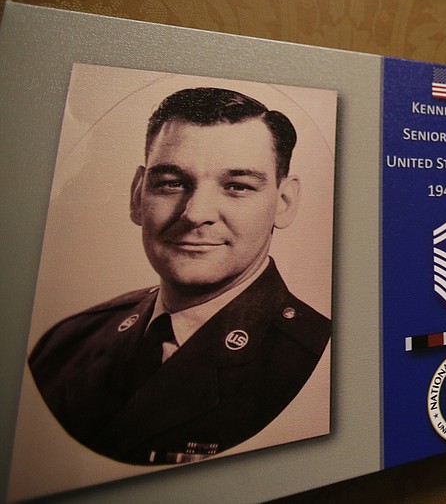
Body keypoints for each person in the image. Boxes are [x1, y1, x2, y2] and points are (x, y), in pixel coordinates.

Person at [28, 87, 330, 465]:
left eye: (237, 186)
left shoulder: (318, 359)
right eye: (170, 182)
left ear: (283, 204)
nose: (194, 212)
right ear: (139, 195)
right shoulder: (65, 344)